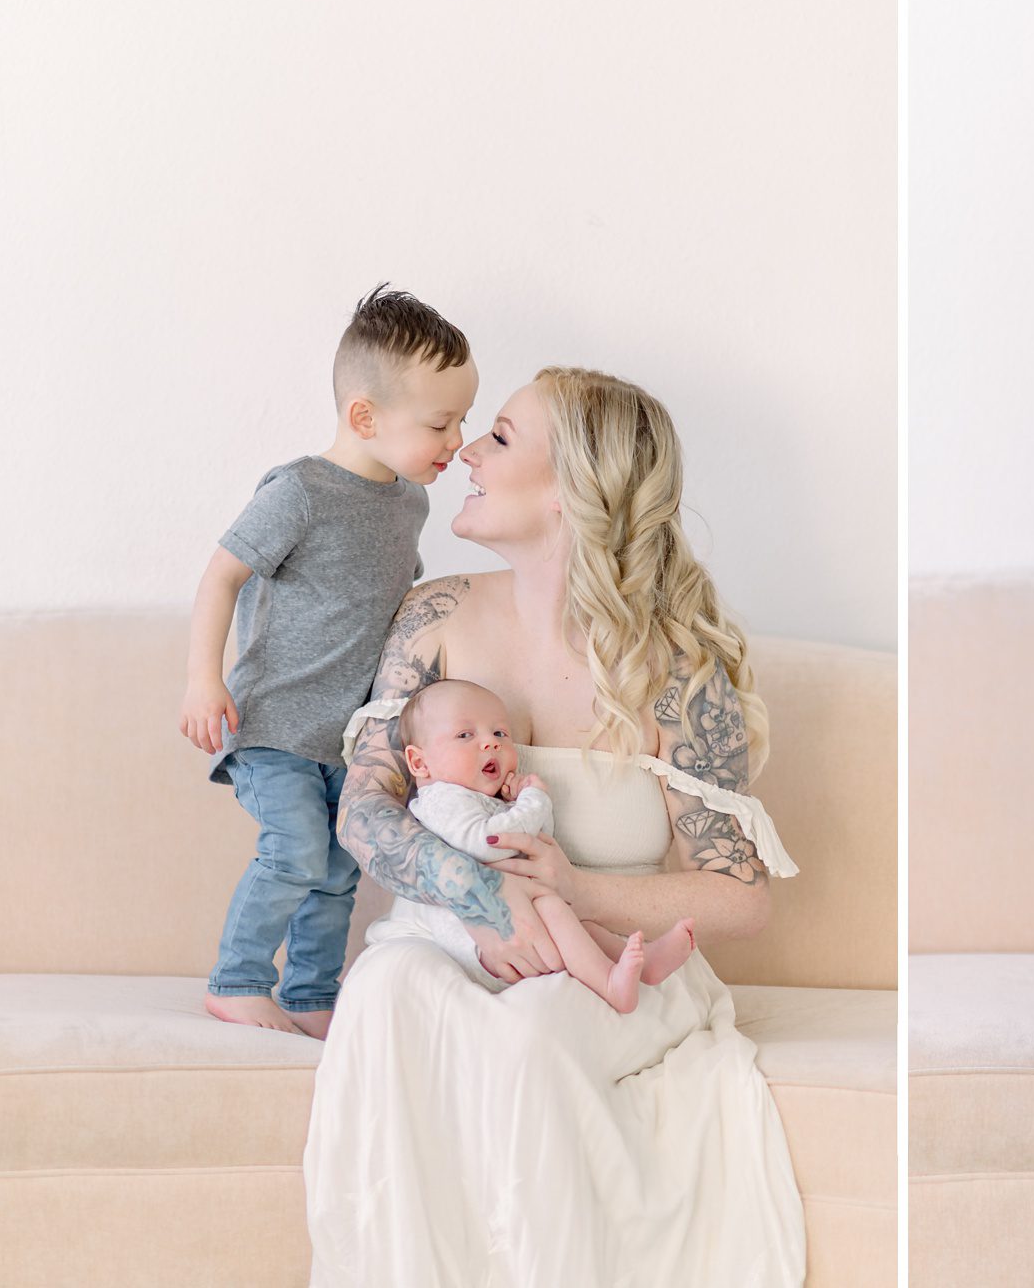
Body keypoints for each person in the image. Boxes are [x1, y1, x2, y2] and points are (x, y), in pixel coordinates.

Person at [304, 366, 805, 1288]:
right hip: (456, 943)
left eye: (498, 437)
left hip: (610, 969)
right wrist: (482, 891)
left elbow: (740, 897)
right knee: (381, 991)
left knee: (531, 1030)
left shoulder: (680, 670)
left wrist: (569, 888)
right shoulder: (434, 618)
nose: (465, 453)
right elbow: (363, 808)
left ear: (573, 487)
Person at [179, 286, 476, 1037]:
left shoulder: (411, 503)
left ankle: (313, 995)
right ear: (365, 417)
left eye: (464, 418)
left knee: (341, 868)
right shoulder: (300, 491)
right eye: (441, 422)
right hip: (274, 723)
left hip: (347, 737)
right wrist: (202, 677)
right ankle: (239, 979)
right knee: (296, 850)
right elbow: (221, 574)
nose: (458, 438)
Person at [390, 675, 699, 1009]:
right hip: (472, 942)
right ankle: (609, 985)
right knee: (552, 906)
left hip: (512, 921)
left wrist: (523, 802)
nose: (490, 743)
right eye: (465, 735)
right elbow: (487, 842)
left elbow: (541, 838)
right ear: (419, 762)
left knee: (568, 910)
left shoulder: (481, 798)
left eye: (499, 733)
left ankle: (640, 961)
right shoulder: (442, 798)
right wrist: (532, 801)